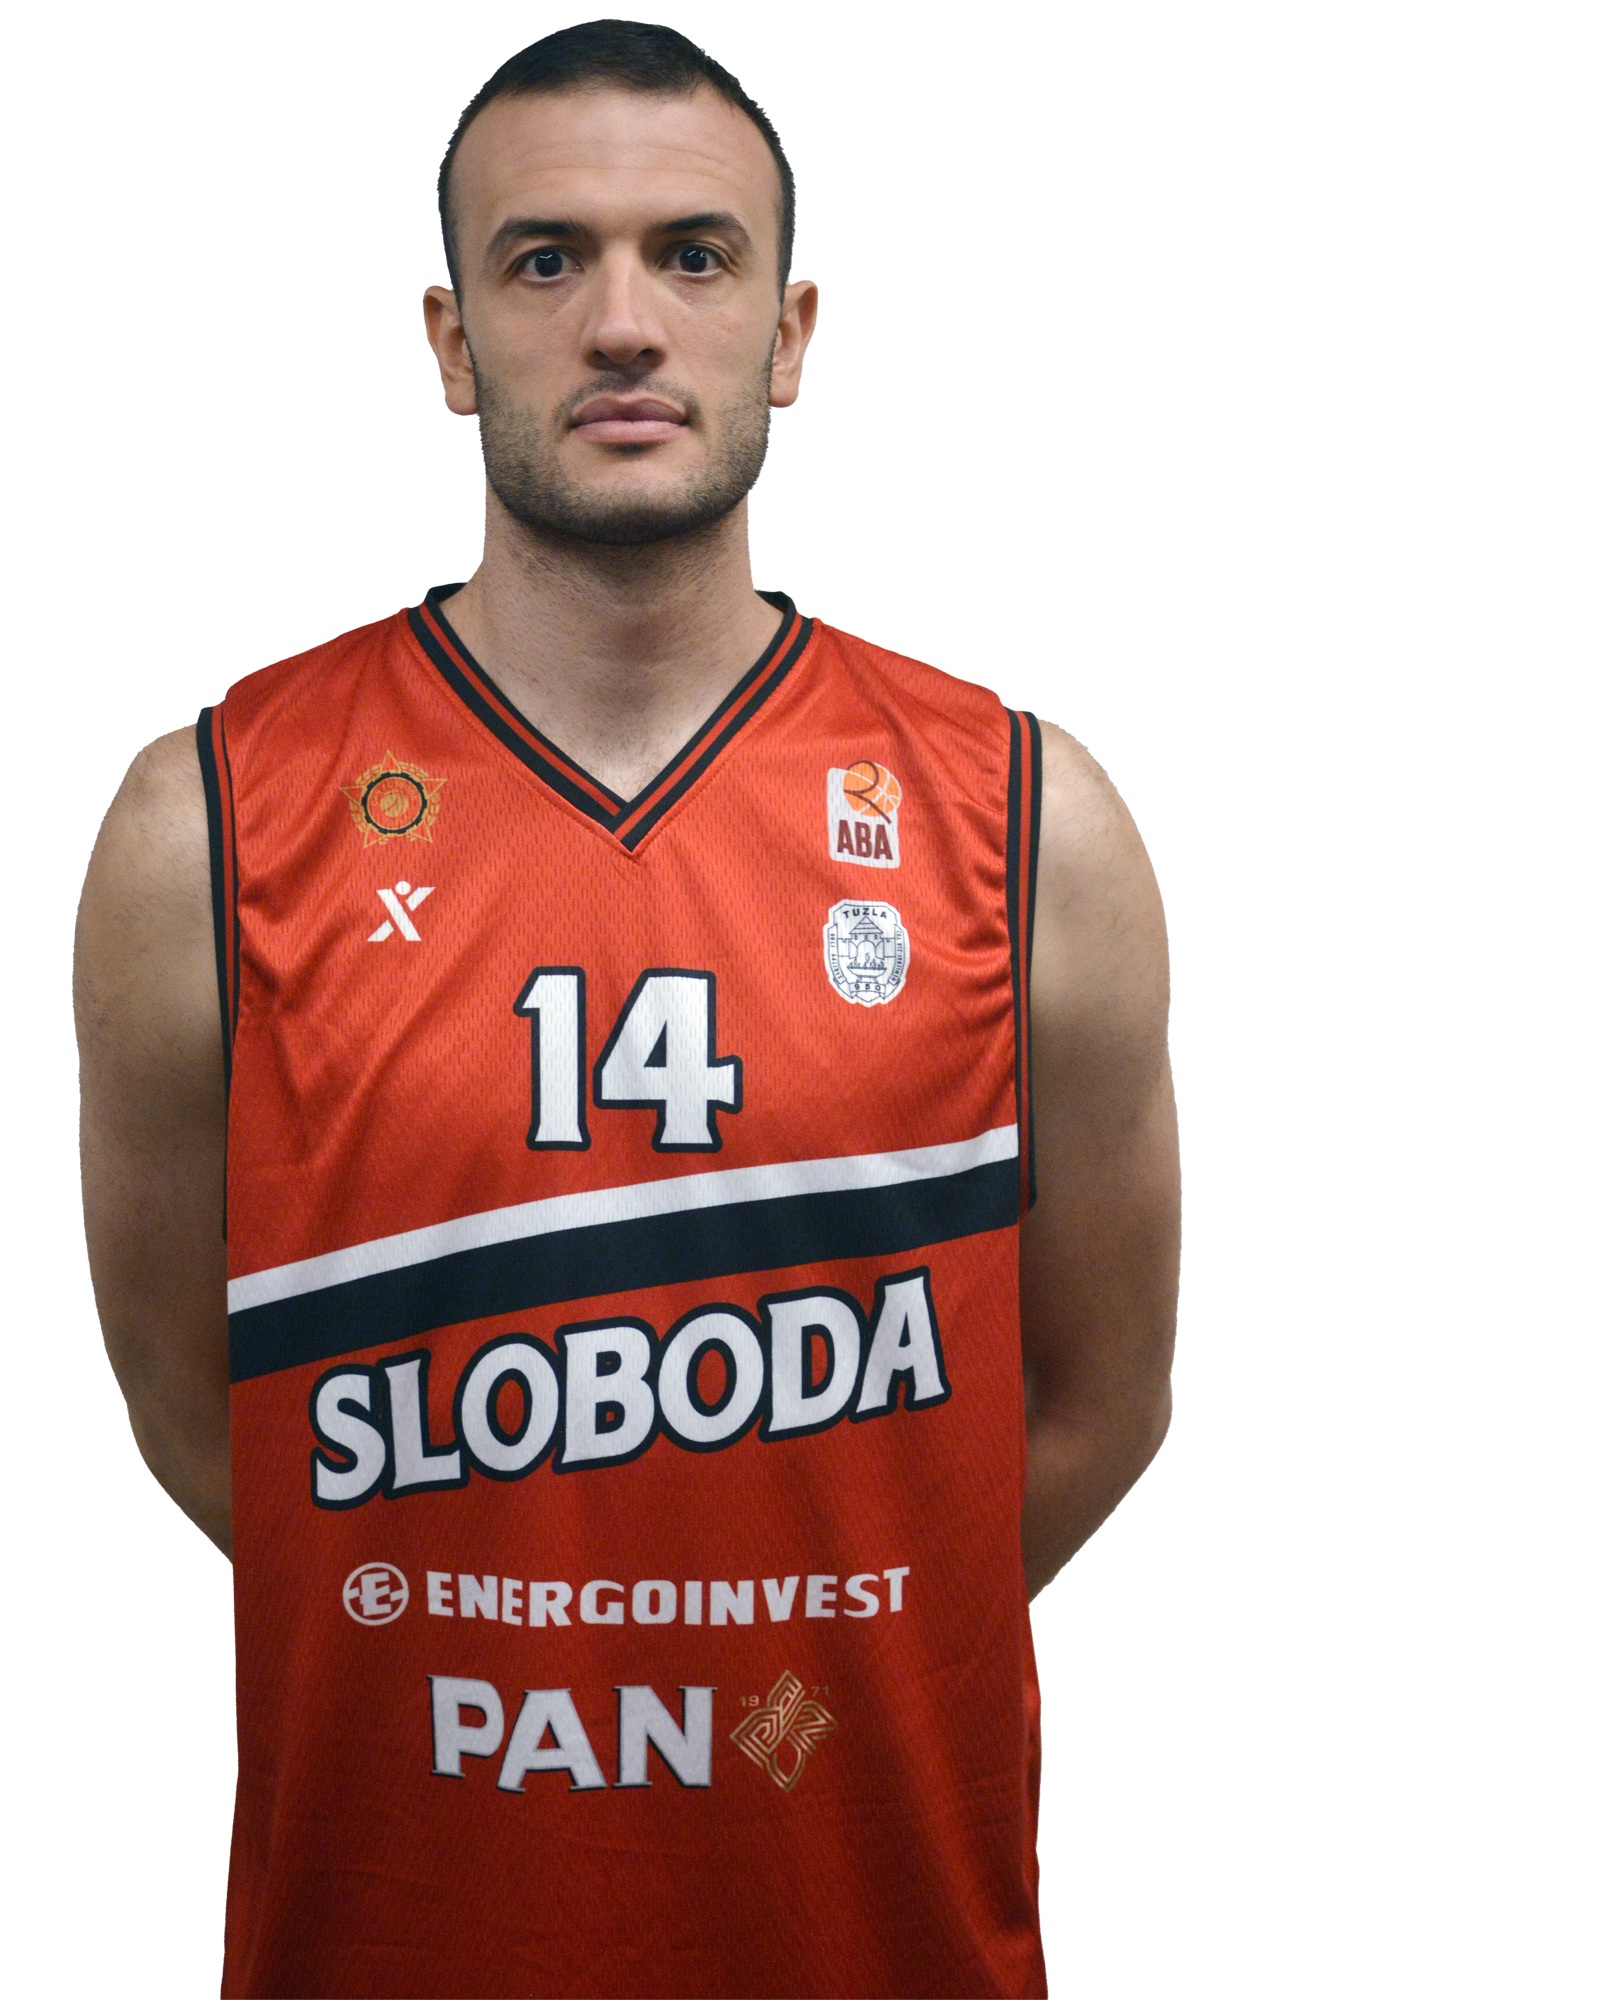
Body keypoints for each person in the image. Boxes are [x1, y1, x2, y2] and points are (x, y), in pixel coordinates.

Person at [75, 20, 1177, 1998]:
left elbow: (1098, 1397)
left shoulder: (1026, 817)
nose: (621, 322)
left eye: (693, 253)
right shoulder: (207, 821)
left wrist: (827, 1618)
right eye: (542, 258)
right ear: (451, 340)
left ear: (787, 330)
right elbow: (190, 1400)